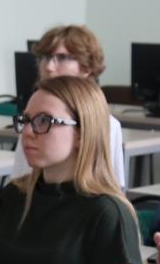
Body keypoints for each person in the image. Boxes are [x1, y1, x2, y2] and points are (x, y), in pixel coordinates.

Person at [0, 76, 142, 264]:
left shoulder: (108, 214)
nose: (28, 131)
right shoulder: (15, 195)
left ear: (81, 133)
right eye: (25, 120)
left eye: (44, 121)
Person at [11, 25, 127, 189]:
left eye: (62, 58)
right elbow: (20, 181)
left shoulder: (106, 124)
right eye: (45, 57)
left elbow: (110, 187)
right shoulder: (32, 119)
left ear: (86, 66)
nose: (49, 67)